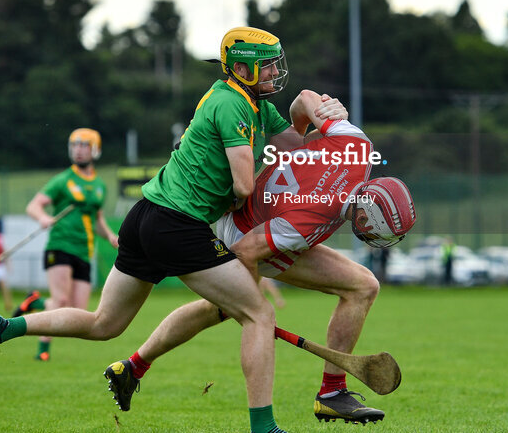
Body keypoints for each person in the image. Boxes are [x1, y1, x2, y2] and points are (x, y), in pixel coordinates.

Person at [0, 27, 346, 433]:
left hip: (144, 217)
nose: (273, 74)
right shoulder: (234, 106)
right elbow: (245, 185)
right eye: (266, 67)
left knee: (104, 323)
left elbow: (293, 142)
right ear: (241, 68)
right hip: (177, 224)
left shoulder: (251, 104)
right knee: (259, 313)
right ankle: (264, 428)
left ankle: (4, 327)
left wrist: (319, 110)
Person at [104, 101, 416, 425]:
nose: (384, 240)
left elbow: (305, 98)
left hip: (267, 213)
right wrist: (248, 304)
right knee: (243, 310)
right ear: (366, 216)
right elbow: (247, 250)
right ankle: (331, 393)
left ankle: (132, 367)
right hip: (242, 230)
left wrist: (299, 130)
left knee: (220, 309)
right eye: (385, 232)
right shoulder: (305, 221)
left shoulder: (357, 145)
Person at [15, 127, 119, 361]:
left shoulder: (100, 186)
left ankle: (36, 301)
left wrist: (110, 236)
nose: (79, 151)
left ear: (95, 150)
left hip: (85, 250)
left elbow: (98, 219)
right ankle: (43, 350)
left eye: (84, 146)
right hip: (60, 245)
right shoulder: (62, 180)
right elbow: (34, 205)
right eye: (75, 146)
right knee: (61, 300)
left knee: (76, 310)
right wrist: (42, 217)